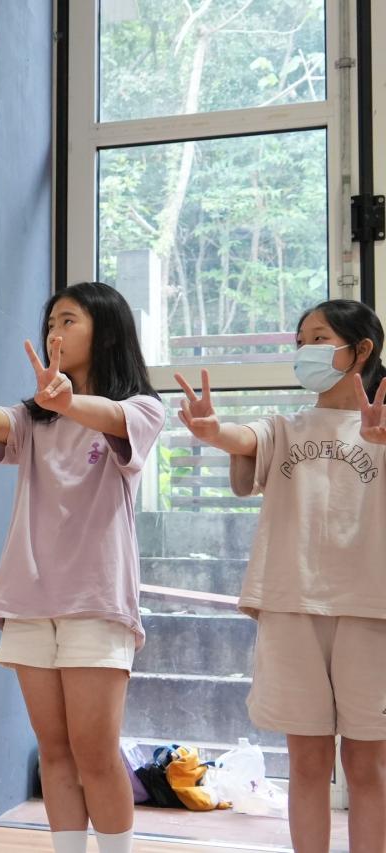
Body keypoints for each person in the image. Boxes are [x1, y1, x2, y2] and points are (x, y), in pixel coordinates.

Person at [0, 282, 164, 853]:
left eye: (68, 321)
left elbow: (109, 416)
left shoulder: (141, 410)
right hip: (29, 600)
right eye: (50, 323)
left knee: (96, 753)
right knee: (56, 752)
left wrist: (67, 402)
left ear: (106, 332)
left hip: (96, 602)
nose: (53, 333)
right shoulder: (36, 418)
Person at [175, 299, 386, 853]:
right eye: (300, 341)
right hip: (292, 605)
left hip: (373, 611)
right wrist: (213, 430)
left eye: (318, 338)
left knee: (368, 764)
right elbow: (243, 438)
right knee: (307, 761)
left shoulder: (382, 425)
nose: (304, 351)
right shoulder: (284, 427)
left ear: (361, 349)